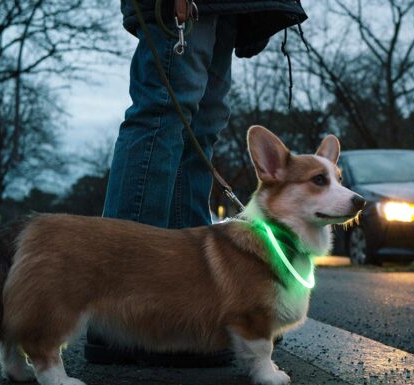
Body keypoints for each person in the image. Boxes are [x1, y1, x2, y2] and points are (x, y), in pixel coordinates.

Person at [85, 0, 307, 364]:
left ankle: (180, 310)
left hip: (226, 7)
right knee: (163, 112)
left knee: (203, 124)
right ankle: (118, 308)